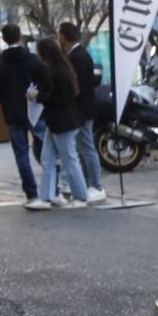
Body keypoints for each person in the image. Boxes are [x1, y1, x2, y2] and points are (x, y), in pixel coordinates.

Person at [0, 25, 44, 209]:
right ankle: (52, 189)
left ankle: (31, 193)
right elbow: (44, 80)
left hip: (12, 112)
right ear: (19, 37)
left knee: (21, 153)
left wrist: (6, 101)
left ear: (4, 38)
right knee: (45, 150)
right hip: (34, 110)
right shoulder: (32, 59)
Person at [32, 38, 91, 209]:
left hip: (62, 123)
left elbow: (60, 99)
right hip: (60, 122)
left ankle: (80, 196)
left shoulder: (57, 73)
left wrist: (38, 96)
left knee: (69, 159)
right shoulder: (62, 69)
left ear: (43, 53)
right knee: (48, 158)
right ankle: (47, 196)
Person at [57, 22, 105, 202]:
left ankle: (96, 185)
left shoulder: (78, 57)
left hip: (83, 110)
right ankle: (87, 184)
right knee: (82, 148)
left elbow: (81, 87)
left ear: (63, 37)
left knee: (87, 148)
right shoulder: (76, 55)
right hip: (82, 110)